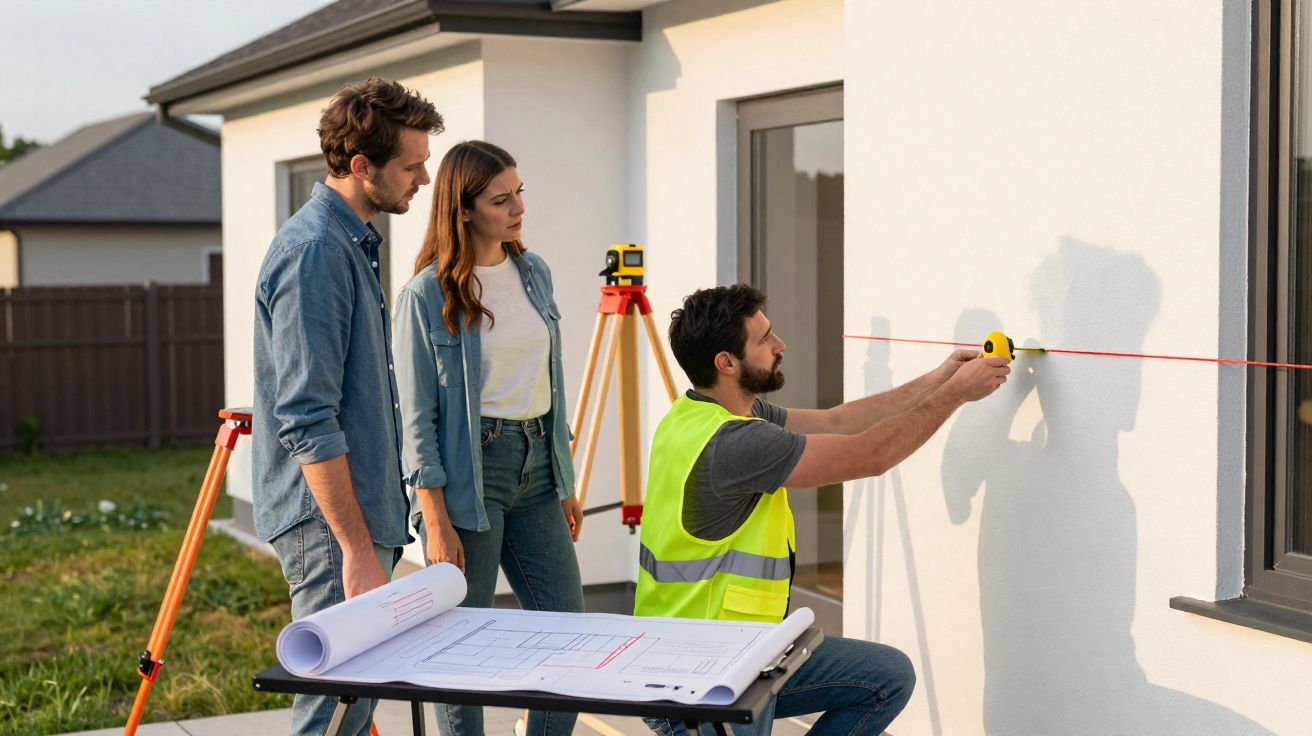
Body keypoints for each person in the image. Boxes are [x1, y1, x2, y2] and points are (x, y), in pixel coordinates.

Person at [635, 284, 1010, 736]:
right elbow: (871, 455)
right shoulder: (736, 442)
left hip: (744, 654)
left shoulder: (701, 414)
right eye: (764, 339)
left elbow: (840, 420)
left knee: (886, 678)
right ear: (726, 362)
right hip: (704, 683)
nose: (781, 345)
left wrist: (941, 379)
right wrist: (956, 397)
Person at [252, 77, 444, 736]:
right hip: (333, 526)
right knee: (334, 707)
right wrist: (356, 550)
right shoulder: (315, 255)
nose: (424, 177)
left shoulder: (352, 244)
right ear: (362, 167)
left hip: (356, 519)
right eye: (412, 165)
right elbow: (307, 418)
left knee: (351, 704)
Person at [393, 140, 585, 736]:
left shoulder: (534, 272)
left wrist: (565, 478)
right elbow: (416, 418)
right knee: (461, 647)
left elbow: (546, 378)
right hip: (469, 475)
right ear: (464, 208)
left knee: (567, 632)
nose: (517, 207)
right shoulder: (426, 295)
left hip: (538, 466)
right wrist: (435, 517)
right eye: (501, 199)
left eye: (518, 192)